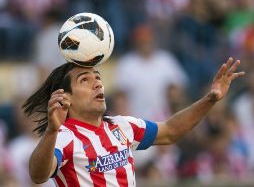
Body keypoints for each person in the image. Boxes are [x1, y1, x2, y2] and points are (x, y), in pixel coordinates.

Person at [22, 57, 244, 186]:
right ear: (66, 98)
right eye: (85, 80)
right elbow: (38, 175)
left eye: (98, 77)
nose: (98, 84)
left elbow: (171, 131)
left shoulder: (122, 126)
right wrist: (52, 130)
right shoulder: (63, 137)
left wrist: (210, 98)